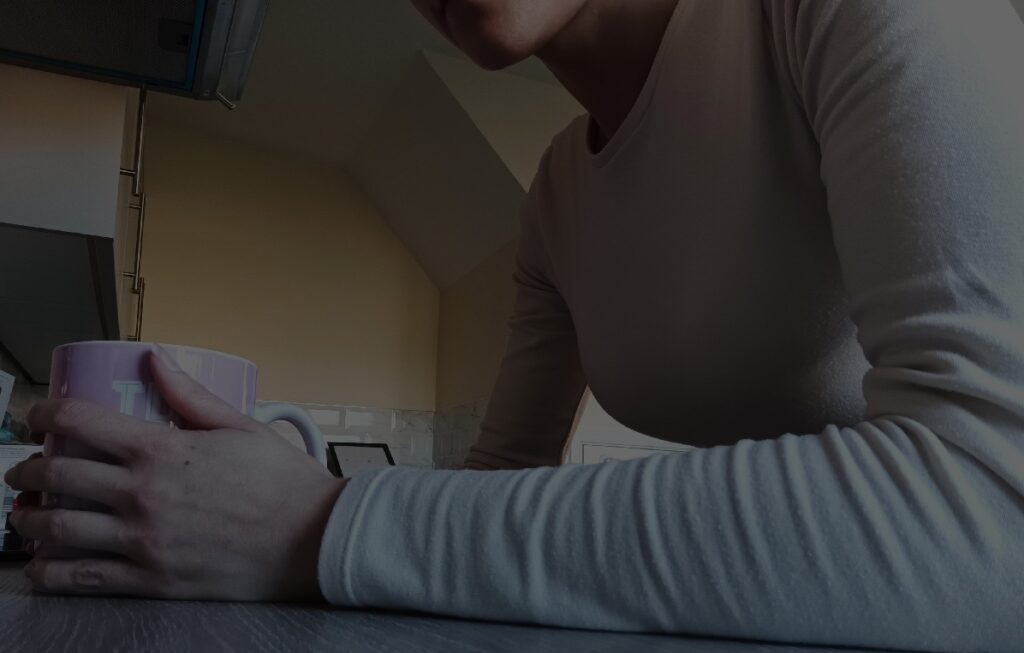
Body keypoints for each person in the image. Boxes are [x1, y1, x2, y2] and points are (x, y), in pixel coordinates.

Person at [5, 0, 1024, 650]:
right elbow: (492, 496)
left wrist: (316, 523)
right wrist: (239, 504)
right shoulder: (556, 200)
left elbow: (995, 518)